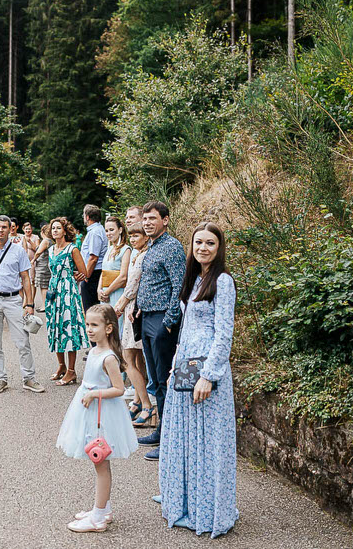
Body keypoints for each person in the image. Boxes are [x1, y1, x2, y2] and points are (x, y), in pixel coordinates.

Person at [158, 223, 237, 536]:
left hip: (206, 367)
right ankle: (185, 499)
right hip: (185, 363)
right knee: (184, 436)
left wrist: (209, 375)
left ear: (219, 248)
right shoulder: (193, 279)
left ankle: (209, 508)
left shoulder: (223, 281)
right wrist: (174, 366)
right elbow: (185, 328)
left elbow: (224, 333)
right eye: (199, 242)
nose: (203, 248)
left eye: (210, 243)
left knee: (207, 440)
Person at [56, 304, 139, 532]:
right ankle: (103, 508)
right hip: (90, 411)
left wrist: (94, 393)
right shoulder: (93, 352)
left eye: (95, 325)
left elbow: (119, 389)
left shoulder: (109, 358)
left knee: (101, 462)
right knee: (98, 461)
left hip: (102, 414)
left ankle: (98, 517)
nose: (89, 329)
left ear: (109, 328)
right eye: (88, 325)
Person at [135, 201, 186, 461]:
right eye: (145, 219)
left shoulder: (172, 247)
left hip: (162, 322)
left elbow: (179, 286)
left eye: (152, 218)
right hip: (147, 319)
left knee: (166, 381)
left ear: (165, 220)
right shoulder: (152, 246)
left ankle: (168, 439)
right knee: (155, 380)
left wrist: (169, 321)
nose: (147, 223)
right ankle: (159, 430)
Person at [0, 215, 45, 395]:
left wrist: (29, 303)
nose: (0, 230)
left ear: (9, 229)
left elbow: (26, 278)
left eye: (4, 227)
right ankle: (0, 379)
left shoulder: (18, 251)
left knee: (22, 341)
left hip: (13, 300)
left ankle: (29, 378)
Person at [114, 222, 154, 427]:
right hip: (132, 308)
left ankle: (147, 404)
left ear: (146, 237)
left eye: (137, 236)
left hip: (134, 308)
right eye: (131, 236)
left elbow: (132, 285)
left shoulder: (144, 255)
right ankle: (138, 400)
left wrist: (119, 306)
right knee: (136, 358)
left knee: (127, 357)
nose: (133, 239)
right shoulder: (136, 254)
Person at [45, 217, 89, 386]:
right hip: (53, 291)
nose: (55, 230)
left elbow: (84, 272)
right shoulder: (50, 250)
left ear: (65, 231)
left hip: (68, 291)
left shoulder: (72, 249)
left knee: (69, 329)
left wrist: (76, 275)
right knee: (55, 328)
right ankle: (61, 366)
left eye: (58, 228)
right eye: (53, 228)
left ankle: (71, 371)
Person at [97, 216, 131, 327]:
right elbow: (103, 271)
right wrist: (99, 290)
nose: (108, 233)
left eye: (111, 230)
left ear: (120, 230)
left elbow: (123, 277)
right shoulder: (109, 249)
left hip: (116, 292)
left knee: (116, 326)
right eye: (106, 231)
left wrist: (107, 292)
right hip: (105, 293)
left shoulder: (125, 249)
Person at [79, 205, 109, 312]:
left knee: (90, 309)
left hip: (93, 274)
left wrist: (86, 275)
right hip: (94, 273)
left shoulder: (95, 232)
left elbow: (93, 258)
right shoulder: (98, 230)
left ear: (87, 217)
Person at [31, 224, 53, 313]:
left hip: (42, 267)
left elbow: (38, 252)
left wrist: (33, 260)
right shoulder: (51, 241)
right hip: (46, 266)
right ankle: (46, 304)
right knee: (45, 286)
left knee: (43, 287)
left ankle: (44, 306)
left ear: (42, 232)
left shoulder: (45, 241)